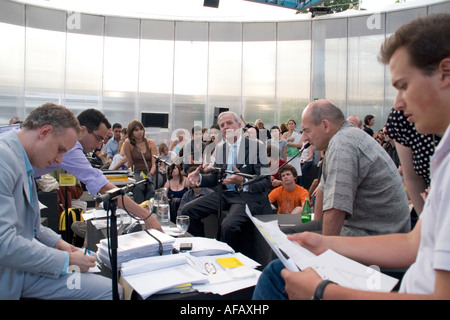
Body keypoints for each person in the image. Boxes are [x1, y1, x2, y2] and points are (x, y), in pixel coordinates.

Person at [253, 13, 450, 300]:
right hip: (385, 249)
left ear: (445, 73)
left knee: (276, 275)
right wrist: (324, 244)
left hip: (379, 257)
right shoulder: (443, 157)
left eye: (403, 85)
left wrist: (321, 290)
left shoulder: (344, 145)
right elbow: (414, 243)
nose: (397, 103)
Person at [0, 102, 118, 300]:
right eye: (60, 149)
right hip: (11, 273)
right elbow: (4, 243)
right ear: (45, 132)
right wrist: (66, 260)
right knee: (111, 291)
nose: (58, 160)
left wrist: (59, 243)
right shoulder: (5, 162)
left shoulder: (21, 159)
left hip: (17, 267)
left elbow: (32, 226)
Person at [281, 99, 411, 237]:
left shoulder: (341, 145)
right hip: (369, 228)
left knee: (283, 245)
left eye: (307, 131)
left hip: (374, 236)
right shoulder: (342, 138)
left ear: (325, 125)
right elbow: (322, 191)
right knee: (283, 236)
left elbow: (336, 210)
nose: (305, 138)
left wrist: (323, 253)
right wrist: (317, 226)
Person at [33, 109, 161, 231]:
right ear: (83, 130)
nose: (99, 146)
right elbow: (101, 184)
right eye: (99, 139)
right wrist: (146, 216)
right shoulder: (71, 147)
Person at [181, 111, 272, 252]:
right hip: (224, 193)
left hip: (246, 196)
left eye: (229, 123)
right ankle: (201, 250)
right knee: (188, 210)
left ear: (239, 125)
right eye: (222, 125)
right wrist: (199, 179)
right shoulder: (221, 148)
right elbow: (216, 177)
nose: (225, 127)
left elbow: (266, 181)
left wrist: (242, 180)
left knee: (228, 225)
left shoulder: (256, 146)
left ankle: (231, 260)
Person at [385, 108, 440, 215]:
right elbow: (412, 178)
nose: (397, 103)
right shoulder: (402, 117)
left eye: (405, 90)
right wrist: (426, 222)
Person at [122, 120, 157, 204]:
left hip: (151, 171)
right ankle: (139, 209)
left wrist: (150, 174)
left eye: (141, 129)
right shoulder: (128, 143)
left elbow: (154, 163)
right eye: (136, 130)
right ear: (131, 132)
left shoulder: (150, 143)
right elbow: (130, 162)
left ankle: (149, 210)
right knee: (138, 187)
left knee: (151, 188)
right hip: (138, 171)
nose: (140, 132)